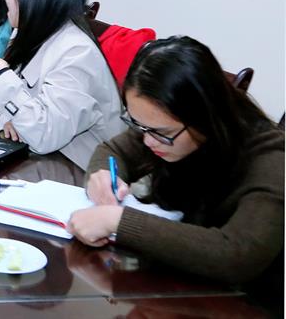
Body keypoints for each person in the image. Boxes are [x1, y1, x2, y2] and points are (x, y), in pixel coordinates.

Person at [67, 36, 283, 297]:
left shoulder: (272, 160)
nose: (148, 141)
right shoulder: (164, 127)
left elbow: (237, 254)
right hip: (179, 284)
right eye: (138, 125)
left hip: (247, 301)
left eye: (161, 133)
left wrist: (119, 221)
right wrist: (102, 176)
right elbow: (113, 151)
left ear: (205, 117)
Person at [0, 0, 122, 169]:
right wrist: (15, 117)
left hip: (79, 174)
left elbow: (44, 134)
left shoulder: (77, 52)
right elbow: (1, 106)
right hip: (39, 162)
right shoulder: (33, 35)